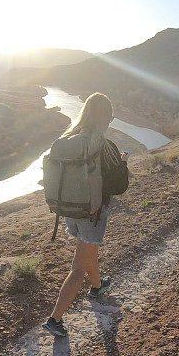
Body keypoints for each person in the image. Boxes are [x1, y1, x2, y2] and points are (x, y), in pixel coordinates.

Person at [42, 93, 130, 337]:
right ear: (105, 118)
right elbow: (119, 187)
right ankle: (55, 319)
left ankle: (97, 287)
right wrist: (122, 163)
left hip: (70, 209)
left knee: (88, 251)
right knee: (78, 267)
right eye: (110, 117)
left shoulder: (69, 139)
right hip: (92, 213)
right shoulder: (103, 145)